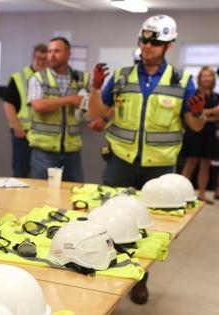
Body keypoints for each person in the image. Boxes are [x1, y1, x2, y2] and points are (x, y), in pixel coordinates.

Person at [88, 14, 206, 304]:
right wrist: (94, 88)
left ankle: (140, 280)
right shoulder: (120, 76)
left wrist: (199, 112)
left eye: (156, 41)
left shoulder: (182, 81)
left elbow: (195, 125)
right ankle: (107, 278)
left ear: (168, 46)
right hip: (120, 162)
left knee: (145, 227)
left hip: (160, 168)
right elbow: (95, 114)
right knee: (108, 220)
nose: (148, 46)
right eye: (144, 40)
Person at [27, 37, 90, 182]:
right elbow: (38, 106)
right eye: (50, 51)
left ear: (68, 54)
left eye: (57, 51)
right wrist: (70, 99)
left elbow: (91, 108)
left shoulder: (82, 79)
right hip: (44, 151)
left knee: (74, 194)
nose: (52, 55)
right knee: (43, 194)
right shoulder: (38, 78)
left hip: (72, 152)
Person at [2, 43, 48, 178]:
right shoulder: (20, 77)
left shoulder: (51, 79)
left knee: (42, 174)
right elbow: (8, 104)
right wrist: (17, 128)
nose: (40, 62)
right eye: (38, 58)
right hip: (23, 133)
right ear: (33, 57)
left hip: (45, 134)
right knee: (21, 172)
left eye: (44, 59)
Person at [180, 66, 219, 204]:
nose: (207, 78)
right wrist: (212, 111)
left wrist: (205, 114)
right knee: (190, 163)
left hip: (209, 133)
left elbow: (214, 117)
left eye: (210, 75)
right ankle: (181, 193)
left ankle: (202, 194)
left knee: (205, 164)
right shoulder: (194, 94)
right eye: (204, 75)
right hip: (194, 132)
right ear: (200, 78)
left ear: (213, 78)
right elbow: (193, 114)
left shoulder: (215, 96)